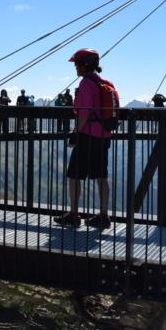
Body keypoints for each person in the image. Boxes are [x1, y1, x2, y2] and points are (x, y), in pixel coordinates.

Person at [54, 48, 113, 230]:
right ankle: (104, 216)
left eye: (77, 64)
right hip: (103, 135)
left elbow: (84, 113)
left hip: (87, 136)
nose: (75, 68)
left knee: (74, 175)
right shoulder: (104, 83)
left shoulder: (87, 84)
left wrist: (75, 133)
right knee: (101, 176)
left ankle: (73, 214)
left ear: (85, 65)